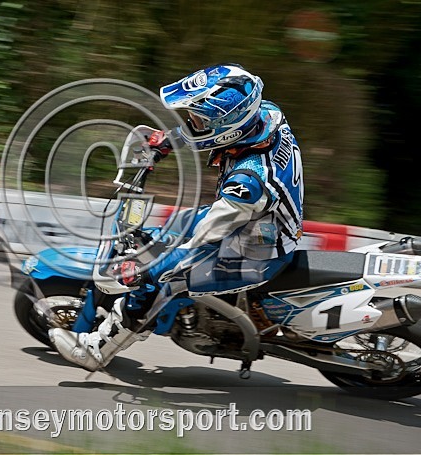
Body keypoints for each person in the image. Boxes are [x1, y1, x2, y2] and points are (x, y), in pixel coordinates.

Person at [50, 63, 304, 371]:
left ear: (229, 125)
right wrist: (169, 140)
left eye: (197, 119)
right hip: (257, 223)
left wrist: (149, 269)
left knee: (157, 282)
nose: (191, 122)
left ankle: (97, 351)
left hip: (256, 250)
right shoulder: (265, 116)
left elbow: (203, 242)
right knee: (171, 229)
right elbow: (213, 134)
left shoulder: (247, 182)